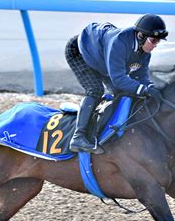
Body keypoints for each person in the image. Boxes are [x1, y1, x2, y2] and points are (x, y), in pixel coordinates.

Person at [65, 14, 168, 154]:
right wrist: (142, 89)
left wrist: (150, 87)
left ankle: (107, 129)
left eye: (158, 41)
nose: (156, 45)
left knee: (123, 91)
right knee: (95, 89)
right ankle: (78, 137)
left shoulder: (145, 51)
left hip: (101, 56)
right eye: (154, 40)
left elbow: (141, 76)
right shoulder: (119, 42)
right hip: (80, 52)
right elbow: (118, 79)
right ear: (140, 36)